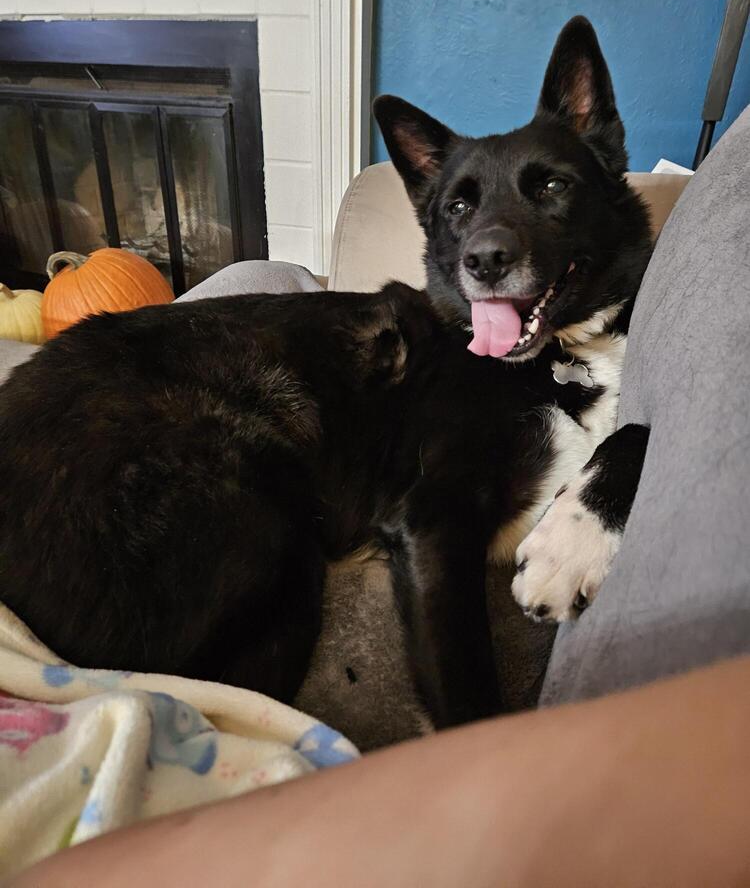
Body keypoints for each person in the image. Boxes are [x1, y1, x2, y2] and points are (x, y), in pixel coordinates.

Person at [10, 108, 750, 887]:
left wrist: (627, 461)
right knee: (272, 613)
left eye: (549, 188)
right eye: (461, 205)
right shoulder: (462, 368)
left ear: (605, 180)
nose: (491, 239)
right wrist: (481, 759)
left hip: (139, 425)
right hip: (110, 422)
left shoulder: (626, 370)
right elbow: (437, 522)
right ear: (437, 224)